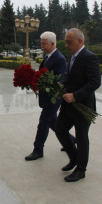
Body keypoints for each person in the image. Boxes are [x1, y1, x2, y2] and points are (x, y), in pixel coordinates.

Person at [55, 28, 101, 182]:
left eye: (69, 42)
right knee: (60, 130)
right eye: (66, 42)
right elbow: (69, 76)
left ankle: (81, 170)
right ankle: (74, 158)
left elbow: (95, 82)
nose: (66, 45)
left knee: (81, 138)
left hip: (83, 106)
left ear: (80, 41)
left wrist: (75, 95)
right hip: (68, 106)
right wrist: (60, 83)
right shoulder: (72, 56)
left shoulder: (90, 57)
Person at [25, 31, 75, 161]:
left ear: (52, 44)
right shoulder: (48, 57)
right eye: (41, 43)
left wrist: (40, 82)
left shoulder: (59, 58)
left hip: (53, 97)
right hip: (46, 96)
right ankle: (70, 140)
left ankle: (38, 150)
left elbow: (60, 79)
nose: (42, 46)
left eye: (44, 44)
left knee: (43, 123)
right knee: (53, 122)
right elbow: (43, 74)